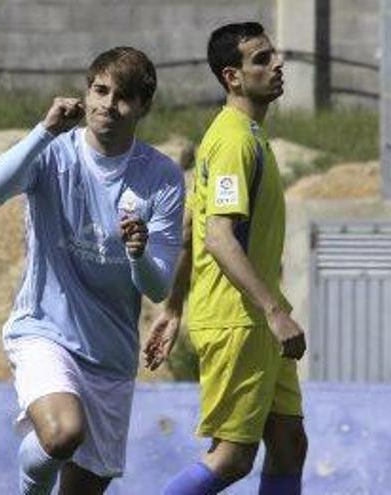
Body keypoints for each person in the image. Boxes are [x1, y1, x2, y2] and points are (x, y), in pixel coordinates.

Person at [0, 47, 185, 494]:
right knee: (62, 433)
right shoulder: (53, 153)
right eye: (99, 90)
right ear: (86, 93)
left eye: (123, 97)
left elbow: (157, 283)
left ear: (143, 106)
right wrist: (43, 131)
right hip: (44, 331)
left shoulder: (161, 176)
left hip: (109, 357)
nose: (107, 104)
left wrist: (138, 252)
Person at [147, 22, 308, 495]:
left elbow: (191, 230)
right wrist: (274, 311)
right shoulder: (234, 139)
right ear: (232, 77)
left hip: (255, 319)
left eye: (274, 54)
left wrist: (174, 307)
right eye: (260, 59)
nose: (276, 64)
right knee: (233, 459)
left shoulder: (247, 135)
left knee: (289, 443)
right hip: (240, 320)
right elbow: (218, 237)